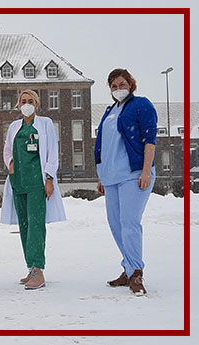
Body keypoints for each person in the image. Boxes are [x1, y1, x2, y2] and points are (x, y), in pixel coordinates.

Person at [94, 69, 158, 296]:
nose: (117, 89)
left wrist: (146, 171)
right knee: (116, 224)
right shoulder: (111, 111)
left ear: (130, 84)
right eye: (113, 86)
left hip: (133, 174)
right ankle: (129, 266)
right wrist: (102, 175)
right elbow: (103, 145)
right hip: (111, 177)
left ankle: (136, 272)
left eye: (121, 84)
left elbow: (150, 139)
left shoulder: (141, 104)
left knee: (129, 222)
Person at [1, 89, 66, 290]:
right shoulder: (14, 126)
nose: (27, 103)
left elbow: (52, 153)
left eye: (31, 101)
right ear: (18, 105)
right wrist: (10, 163)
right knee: (24, 226)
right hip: (18, 182)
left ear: (37, 105)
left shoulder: (45, 124)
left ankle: (39, 269)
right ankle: (30, 268)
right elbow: (7, 150)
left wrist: (49, 178)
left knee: (37, 225)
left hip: (37, 182)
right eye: (23, 101)